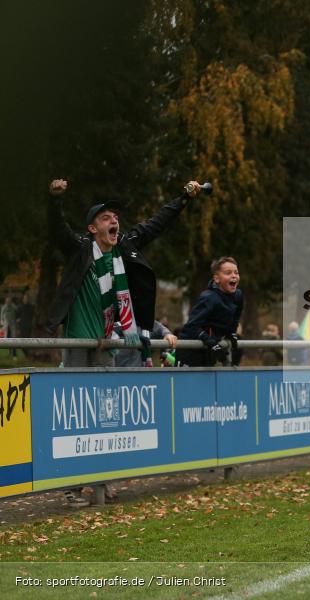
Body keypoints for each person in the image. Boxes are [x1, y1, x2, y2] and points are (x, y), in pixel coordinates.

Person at [46, 177, 200, 506]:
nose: (113, 221)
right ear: (91, 229)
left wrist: (183, 199)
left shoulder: (124, 249)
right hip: (77, 343)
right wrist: (55, 200)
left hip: (108, 344)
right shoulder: (79, 250)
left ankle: (102, 482)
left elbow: (157, 223)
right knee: (77, 417)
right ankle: (72, 488)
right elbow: (56, 230)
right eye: (105, 218)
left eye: (115, 217)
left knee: (105, 416)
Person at [177, 257, 243, 367]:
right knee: (188, 383)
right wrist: (213, 343)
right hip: (190, 348)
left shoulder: (238, 296)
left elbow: (235, 317)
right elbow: (191, 326)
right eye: (228, 273)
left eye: (236, 272)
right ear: (217, 279)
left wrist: (231, 332)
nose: (233, 275)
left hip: (208, 349)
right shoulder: (208, 298)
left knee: (207, 382)